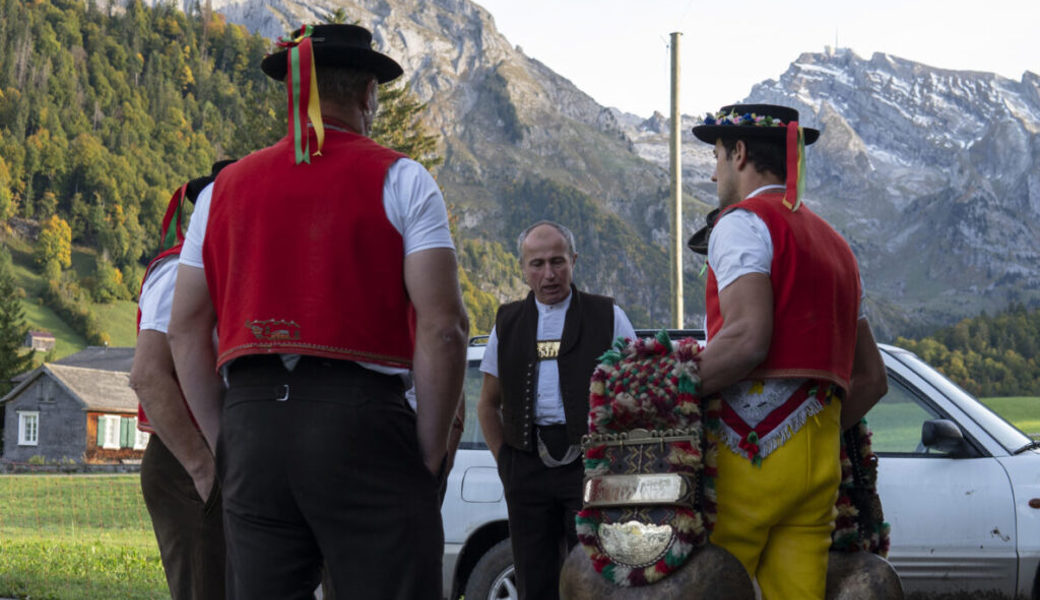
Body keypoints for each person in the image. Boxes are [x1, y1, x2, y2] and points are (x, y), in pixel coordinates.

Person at [166, 24, 468, 600]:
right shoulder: (403, 177)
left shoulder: (220, 191)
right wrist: (427, 454)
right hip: (361, 425)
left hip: (252, 426)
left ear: (294, 94)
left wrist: (226, 439)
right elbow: (443, 327)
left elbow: (184, 331)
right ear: (368, 96)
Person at [689, 103, 888, 599]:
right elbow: (871, 378)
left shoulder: (739, 223)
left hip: (746, 454)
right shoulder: (838, 245)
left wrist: (661, 393)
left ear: (738, 153)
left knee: (716, 586)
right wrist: (810, 430)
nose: (713, 172)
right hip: (819, 466)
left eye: (715, 156)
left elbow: (746, 339)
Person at [477, 220, 636, 600]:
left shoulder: (608, 316)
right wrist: (507, 464)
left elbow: (636, 389)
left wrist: (619, 459)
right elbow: (487, 403)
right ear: (523, 268)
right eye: (537, 264)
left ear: (574, 260)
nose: (548, 274)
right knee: (533, 578)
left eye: (557, 262)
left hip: (592, 465)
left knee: (596, 575)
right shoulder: (507, 322)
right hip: (526, 466)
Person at [130, 160, 233, 600]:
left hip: (210, 454)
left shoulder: (219, 269)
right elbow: (148, 376)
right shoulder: (176, 273)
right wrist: (202, 467)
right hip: (184, 459)